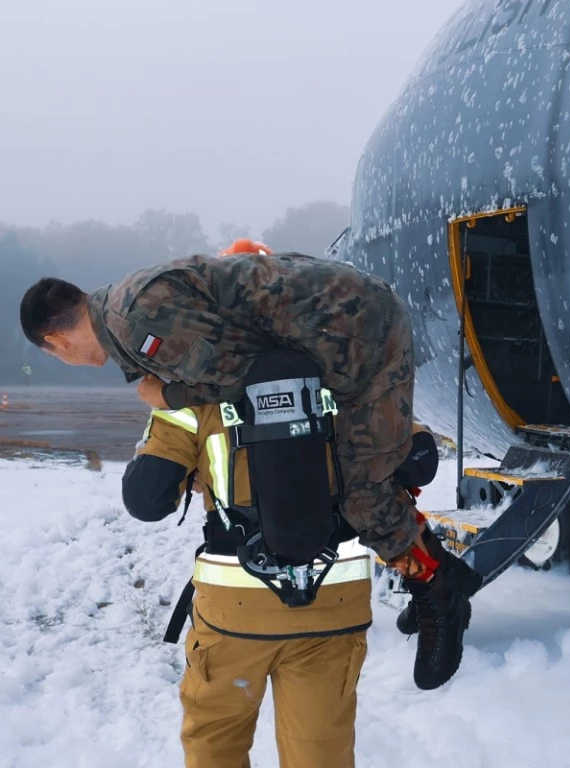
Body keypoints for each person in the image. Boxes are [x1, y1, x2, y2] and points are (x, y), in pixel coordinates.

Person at [20, 254, 482, 689]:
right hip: (338, 326)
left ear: (55, 343)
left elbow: (245, 372)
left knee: (361, 485)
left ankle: (439, 590)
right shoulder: (128, 309)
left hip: (358, 333)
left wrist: (167, 396)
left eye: (57, 355)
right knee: (354, 476)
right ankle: (437, 569)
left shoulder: (136, 319)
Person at [122, 391, 372, 768]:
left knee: (214, 740)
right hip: (331, 609)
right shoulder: (347, 375)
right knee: (319, 767)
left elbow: (145, 498)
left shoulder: (196, 391)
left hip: (233, 613)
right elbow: (416, 457)